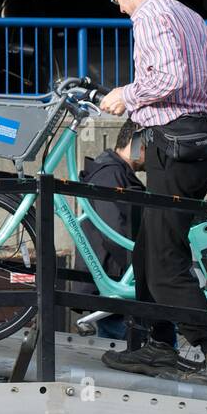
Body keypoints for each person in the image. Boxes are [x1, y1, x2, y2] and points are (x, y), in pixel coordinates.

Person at [96, 0, 207, 388]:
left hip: (172, 149)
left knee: (163, 260)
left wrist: (127, 94)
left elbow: (170, 78)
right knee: (149, 250)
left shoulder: (149, 16)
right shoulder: (190, 17)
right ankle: (158, 344)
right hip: (194, 146)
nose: (118, 8)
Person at [72, 119, 147, 341]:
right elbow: (113, 230)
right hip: (115, 282)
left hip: (114, 281)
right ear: (137, 144)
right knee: (125, 347)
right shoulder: (110, 174)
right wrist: (142, 270)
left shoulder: (114, 172)